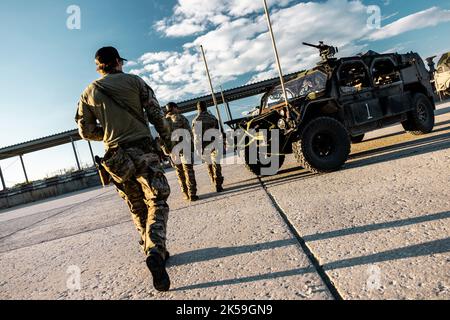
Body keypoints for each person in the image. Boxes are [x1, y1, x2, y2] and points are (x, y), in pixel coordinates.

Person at [75, 46, 172, 292]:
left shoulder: (88, 92)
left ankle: (150, 248)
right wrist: (168, 142)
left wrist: (107, 133)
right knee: (157, 200)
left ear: (99, 66)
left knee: (136, 204)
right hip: (143, 150)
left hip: (115, 157)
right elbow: (156, 115)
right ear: (118, 62)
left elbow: (85, 130)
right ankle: (155, 249)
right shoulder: (135, 82)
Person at [165, 102, 199, 202]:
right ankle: (192, 194)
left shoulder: (163, 121)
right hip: (185, 148)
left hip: (172, 151)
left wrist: (167, 151)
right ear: (174, 108)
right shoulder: (180, 118)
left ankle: (185, 194)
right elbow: (189, 132)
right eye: (177, 108)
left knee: (179, 172)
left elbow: (161, 138)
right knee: (188, 170)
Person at [192, 101, 224, 193]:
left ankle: (213, 180)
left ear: (198, 108)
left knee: (209, 164)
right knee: (216, 164)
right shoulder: (213, 118)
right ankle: (218, 184)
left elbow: (196, 136)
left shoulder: (196, 120)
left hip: (204, 146)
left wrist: (198, 148)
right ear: (206, 107)